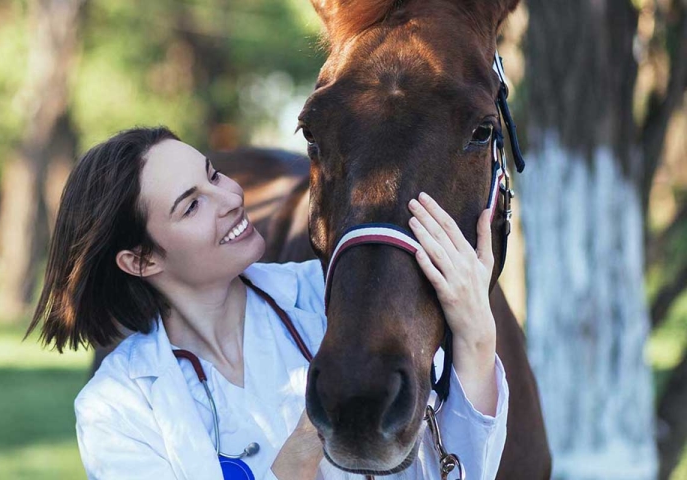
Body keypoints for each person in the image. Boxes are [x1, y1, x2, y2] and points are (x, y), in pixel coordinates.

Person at [27, 126, 508, 480]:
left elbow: (453, 469)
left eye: (214, 176)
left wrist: (475, 332)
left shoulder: (333, 302)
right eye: (193, 204)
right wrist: (298, 456)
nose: (232, 198)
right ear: (141, 260)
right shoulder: (117, 407)